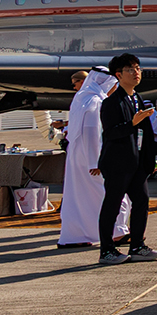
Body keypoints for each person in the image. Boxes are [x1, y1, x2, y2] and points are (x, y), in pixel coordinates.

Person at [97, 53, 157, 265]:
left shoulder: (138, 99)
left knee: (142, 202)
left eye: (138, 68)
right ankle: (107, 250)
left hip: (137, 163)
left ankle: (137, 246)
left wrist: (151, 159)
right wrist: (132, 123)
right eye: (130, 69)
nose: (136, 73)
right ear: (118, 75)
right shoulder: (111, 103)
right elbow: (110, 133)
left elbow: (147, 133)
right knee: (112, 205)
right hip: (117, 163)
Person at [58, 68, 130, 248]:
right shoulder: (96, 101)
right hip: (90, 157)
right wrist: (95, 161)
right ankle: (117, 232)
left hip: (77, 156)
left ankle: (75, 235)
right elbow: (91, 132)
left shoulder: (80, 99)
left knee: (78, 197)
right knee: (114, 193)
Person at [52, 70, 88, 152]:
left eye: (74, 84)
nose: (74, 87)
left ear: (82, 82)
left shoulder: (86, 98)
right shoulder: (83, 96)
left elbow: (82, 118)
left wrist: (63, 124)